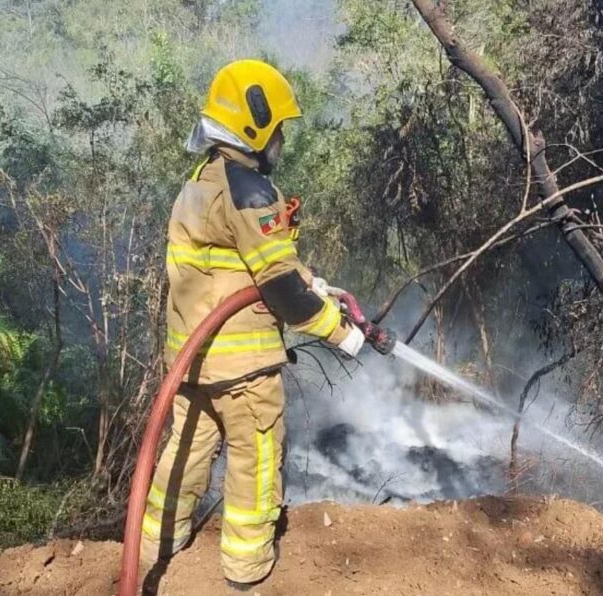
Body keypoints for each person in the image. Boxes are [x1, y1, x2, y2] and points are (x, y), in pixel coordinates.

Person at [139, 59, 365, 591]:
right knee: (256, 457)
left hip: (192, 364)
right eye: (279, 127)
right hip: (242, 373)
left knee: (185, 453)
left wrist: (316, 283)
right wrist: (343, 332)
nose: (282, 138)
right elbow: (280, 289)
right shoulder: (251, 190)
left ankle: (155, 547)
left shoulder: (201, 182)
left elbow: (258, 263)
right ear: (254, 124)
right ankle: (245, 568)